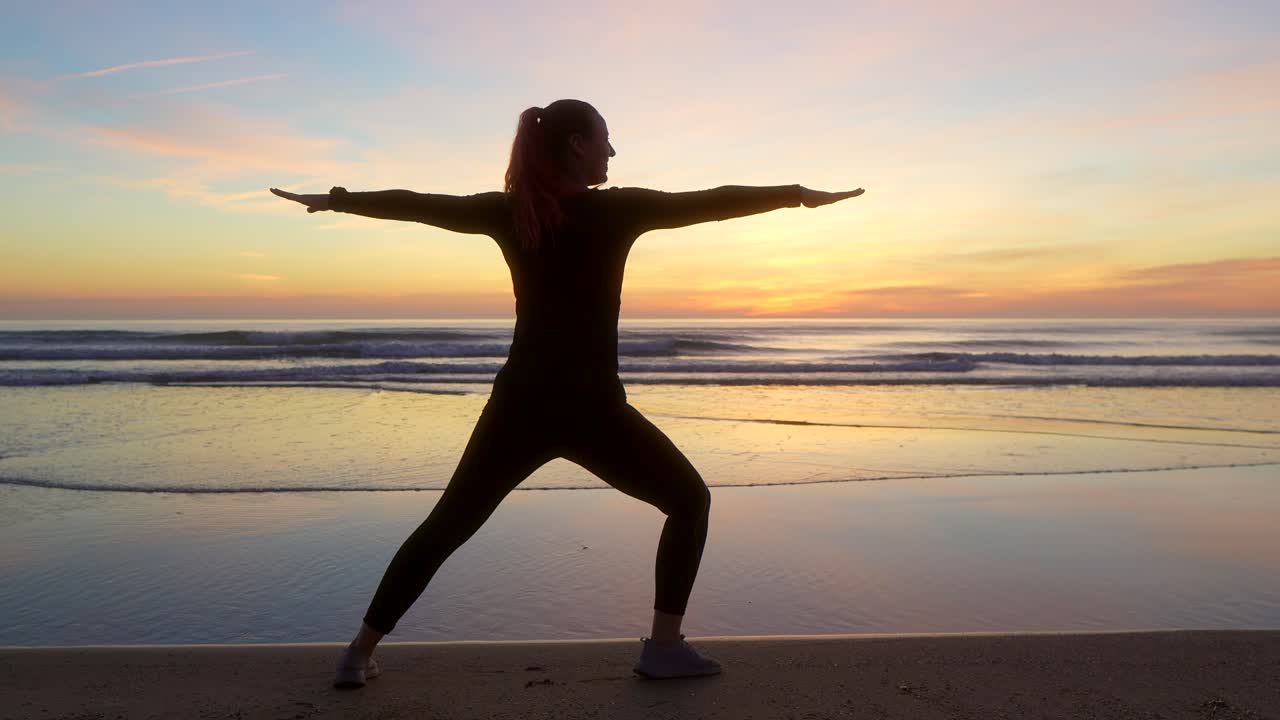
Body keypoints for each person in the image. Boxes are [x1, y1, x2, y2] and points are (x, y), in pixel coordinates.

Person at [270, 99, 863, 688]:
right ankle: (662, 647)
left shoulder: (509, 213)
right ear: (578, 144)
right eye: (604, 137)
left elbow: (424, 207)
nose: (611, 149)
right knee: (689, 501)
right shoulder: (616, 211)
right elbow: (708, 203)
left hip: (521, 404)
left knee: (446, 526)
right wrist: (796, 193)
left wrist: (342, 202)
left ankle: (357, 653)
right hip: (591, 408)